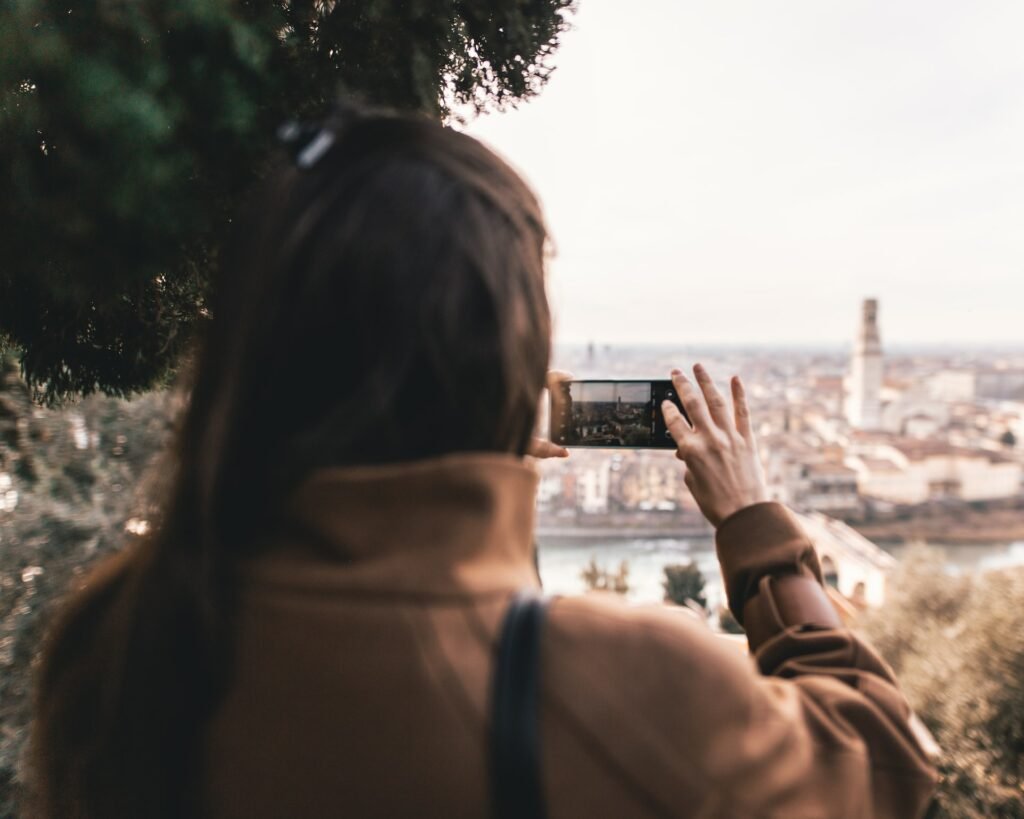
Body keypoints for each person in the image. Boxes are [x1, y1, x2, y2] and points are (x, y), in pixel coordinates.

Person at [29, 103, 937, 818]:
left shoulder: (115, 640)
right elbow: (886, 761)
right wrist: (755, 528)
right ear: (510, 350)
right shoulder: (626, 685)